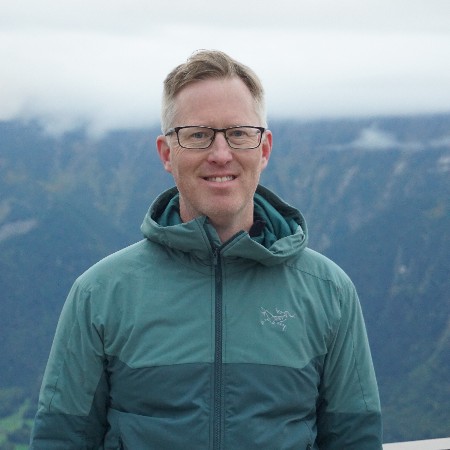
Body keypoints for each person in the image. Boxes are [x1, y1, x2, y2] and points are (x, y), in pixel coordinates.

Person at [30, 50, 383, 449]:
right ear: (167, 153)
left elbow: (356, 440)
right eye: (198, 135)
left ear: (264, 149)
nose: (220, 154)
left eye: (239, 133)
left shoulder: (329, 292)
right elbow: (60, 440)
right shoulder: (100, 294)